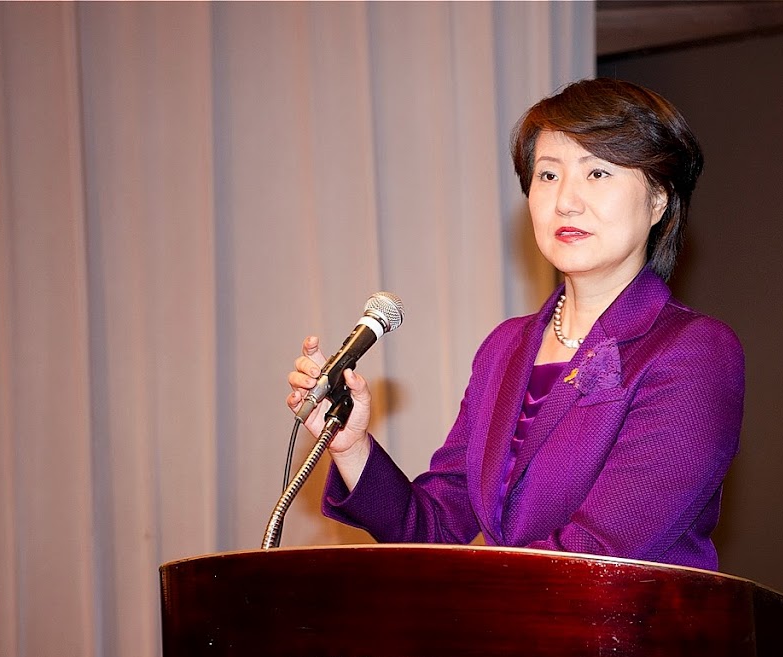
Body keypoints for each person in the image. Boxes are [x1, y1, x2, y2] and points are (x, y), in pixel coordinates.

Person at [287, 78, 744, 571]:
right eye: (548, 175)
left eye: (597, 172)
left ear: (658, 199)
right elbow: (433, 528)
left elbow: (600, 551)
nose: (565, 201)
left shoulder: (693, 351)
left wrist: (468, 603)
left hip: (621, 621)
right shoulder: (505, 348)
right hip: (508, 614)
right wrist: (351, 445)